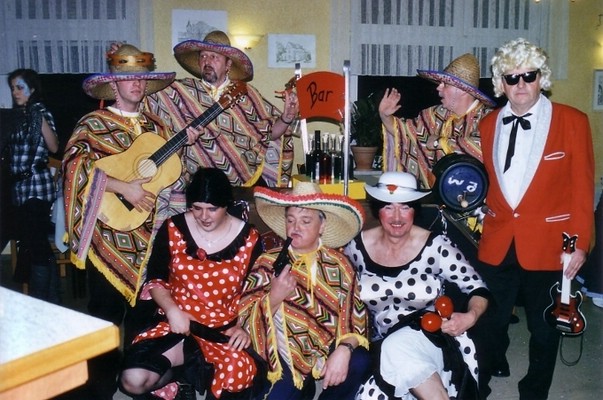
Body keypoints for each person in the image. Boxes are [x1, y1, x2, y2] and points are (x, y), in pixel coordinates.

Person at [62, 44, 197, 399]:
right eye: (127, 78)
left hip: (149, 236)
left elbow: (170, 177)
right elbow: (74, 169)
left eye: (141, 78)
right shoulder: (94, 124)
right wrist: (124, 187)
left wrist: (183, 151)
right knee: (104, 319)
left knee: (144, 317)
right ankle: (98, 390)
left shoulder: (157, 126)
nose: (135, 83)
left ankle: (137, 382)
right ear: (113, 84)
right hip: (106, 237)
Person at [476, 37, 594, 400]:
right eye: (512, 77)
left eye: (529, 75)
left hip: (550, 245)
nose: (521, 84)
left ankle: (534, 393)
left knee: (545, 330)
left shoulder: (572, 121)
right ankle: (479, 382)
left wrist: (580, 244)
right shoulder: (488, 124)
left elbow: (583, 188)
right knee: (488, 321)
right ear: (501, 83)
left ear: (542, 77)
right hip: (498, 239)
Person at [119, 167, 265, 400]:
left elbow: (257, 290)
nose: (204, 216)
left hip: (222, 330)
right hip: (175, 323)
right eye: (197, 208)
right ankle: (177, 381)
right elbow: (155, 279)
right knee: (133, 380)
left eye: (212, 209)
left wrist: (244, 326)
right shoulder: (173, 228)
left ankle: (195, 376)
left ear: (226, 204)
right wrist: (172, 310)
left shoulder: (250, 238)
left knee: (238, 377)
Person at [343, 171, 490, 400]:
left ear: (415, 210)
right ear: (378, 210)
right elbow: (340, 291)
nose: (397, 217)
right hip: (381, 343)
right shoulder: (356, 247)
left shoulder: (436, 245)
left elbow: (477, 288)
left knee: (397, 347)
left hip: (431, 336)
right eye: (388, 207)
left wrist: (470, 316)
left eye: (405, 207)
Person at [239, 182, 371, 399]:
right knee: (279, 393)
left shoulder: (339, 264)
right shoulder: (268, 261)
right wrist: (274, 298)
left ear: (322, 225)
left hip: (325, 347)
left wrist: (344, 349)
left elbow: (354, 317)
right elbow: (244, 315)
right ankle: (301, 386)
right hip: (280, 351)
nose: (295, 228)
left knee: (359, 360)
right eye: (290, 220)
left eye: (305, 221)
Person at [145, 30, 298, 197]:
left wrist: (286, 117)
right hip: (200, 187)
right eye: (203, 56)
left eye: (214, 57)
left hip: (242, 182)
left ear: (228, 64)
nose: (207, 61)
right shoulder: (178, 92)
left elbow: (270, 133)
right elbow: (142, 98)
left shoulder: (247, 94)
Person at [378, 53, 496, 188]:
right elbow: (404, 133)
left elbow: (485, 148)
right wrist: (385, 115)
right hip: (436, 198)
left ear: (462, 90)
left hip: (479, 198)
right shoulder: (434, 115)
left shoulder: (488, 118)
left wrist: (439, 142)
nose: (438, 87)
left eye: (445, 84)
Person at [4, 69, 60, 303]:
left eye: (20, 87)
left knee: (36, 244)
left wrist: (39, 117)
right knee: (37, 245)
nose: (15, 92)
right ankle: (53, 301)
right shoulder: (15, 117)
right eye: (13, 88)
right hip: (19, 188)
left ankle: (39, 302)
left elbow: (54, 147)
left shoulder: (41, 112)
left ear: (32, 89)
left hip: (37, 186)